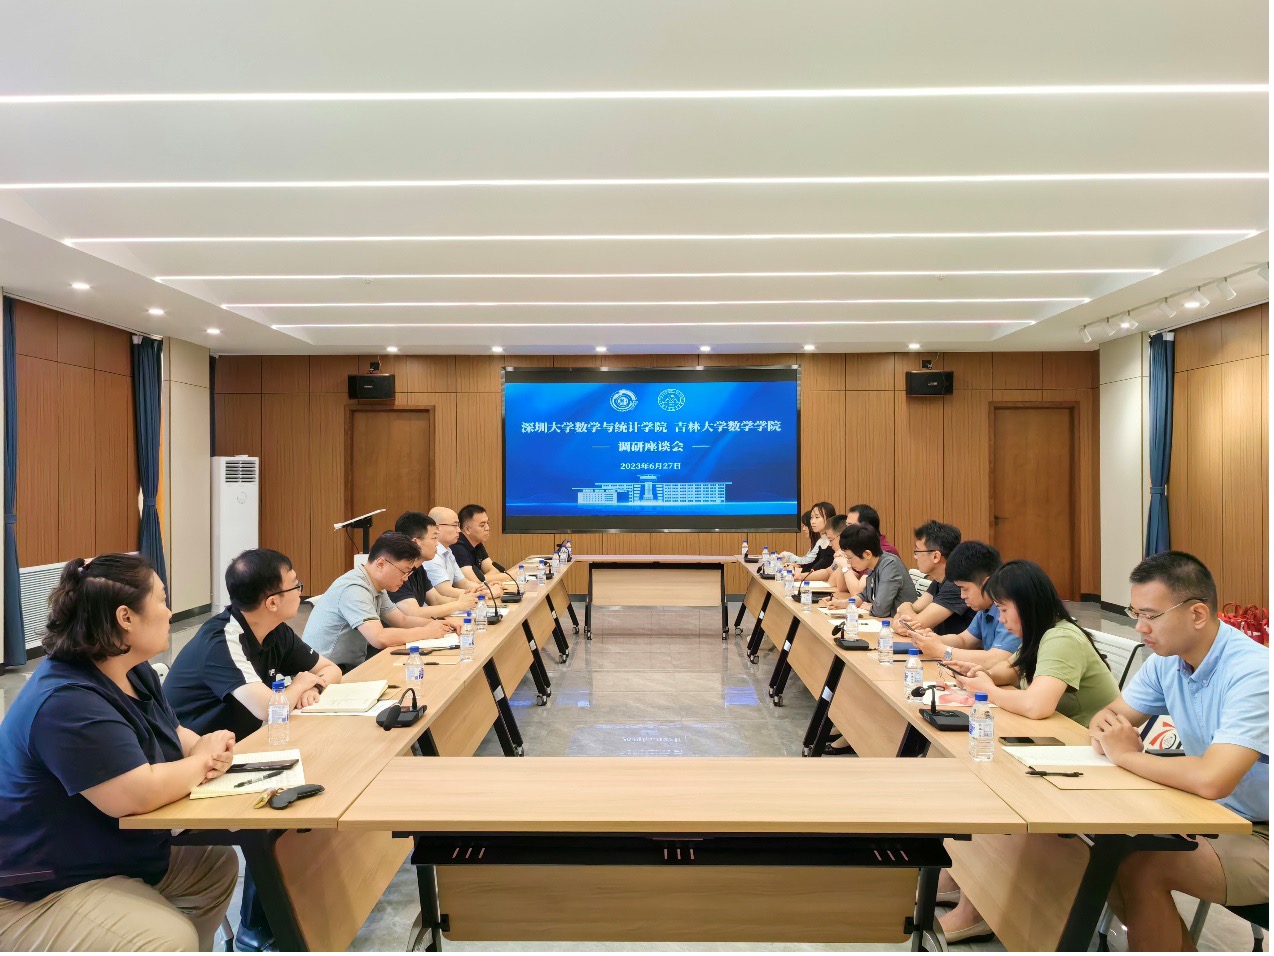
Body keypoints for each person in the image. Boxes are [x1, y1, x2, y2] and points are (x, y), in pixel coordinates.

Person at [0, 555, 238, 952]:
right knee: (168, 938)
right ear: (125, 617)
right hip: (39, 887)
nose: (170, 612)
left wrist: (204, 749)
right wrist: (202, 761)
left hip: (101, 853)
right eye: (162, 599)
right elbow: (135, 794)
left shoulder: (131, 670)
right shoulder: (66, 701)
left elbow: (174, 734)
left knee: (213, 864)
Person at [164, 549, 343, 952]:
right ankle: (255, 932)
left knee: (320, 779)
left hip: (239, 753)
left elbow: (330, 669)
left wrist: (308, 686)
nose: (301, 591)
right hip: (193, 768)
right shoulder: (222, 639)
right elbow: (268, 708)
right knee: (287, 807)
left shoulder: (276, 630)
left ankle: (289, 917)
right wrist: (299, 686)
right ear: (272, 601)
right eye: (295, 585)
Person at [1092, 552, 1268, 952]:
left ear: (1198, 614)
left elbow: (1212, 780)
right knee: (1101, 851)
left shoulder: (1255, 673)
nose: (1139, 628)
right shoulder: (1167, 662)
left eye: (1150, 616)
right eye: (1135, 613)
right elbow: (1110, 717)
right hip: (1215, 816)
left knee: (1141, 866)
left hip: (1261, 832)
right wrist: (1108, 732)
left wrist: (1127, 755)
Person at [936, 559, 1120, 943]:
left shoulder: (1061, 638)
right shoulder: (1041, 634)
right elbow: (1012, 672)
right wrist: (979, 676)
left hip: (1088, 763)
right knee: (970, 771)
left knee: (991, 790)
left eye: (1004, 609)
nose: (1001, 618)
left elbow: (1037, 705)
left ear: (1026, 603)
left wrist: (987, 691)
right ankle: (962, 879)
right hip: (1056, 750)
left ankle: (975, 909)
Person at [302, 532, 457, 671]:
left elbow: (401, 620)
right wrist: (427, 632)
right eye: (404, 572)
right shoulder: (354, 588)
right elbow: (379, 638)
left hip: (346, 666)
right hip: (324, 672)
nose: (405, 579)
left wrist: (440, 624)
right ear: (381, 564)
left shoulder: (376, 585)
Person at [903, 541, 1021, 667]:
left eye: (965, 589)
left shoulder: (1011, 608)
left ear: (987, 584)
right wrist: (934, 640)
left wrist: (943, 651)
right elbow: (964, 640)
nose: (962, 596)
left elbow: (997, 659)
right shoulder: (985, 607)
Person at [389, 512, 480, 620]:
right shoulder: (396, 570)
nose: (437, 544)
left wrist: (468, 600)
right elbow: (413, 613)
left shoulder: (418, 567)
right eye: (434, 538)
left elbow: (436, 599)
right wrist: (458, 605)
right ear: (416, 543)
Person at [895, 520, 976, 636]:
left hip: (955, 646)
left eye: (917, 551)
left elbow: (915, 625)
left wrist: (904, 606)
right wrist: (900, 621)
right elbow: (913, 612)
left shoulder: (956, 585)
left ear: (936, 556)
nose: (915, 556)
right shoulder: (939, 580)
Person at [824, 522, 917, 618]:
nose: (848, 562)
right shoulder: (873, 563)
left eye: (850, 558)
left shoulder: (889, 565)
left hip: (902, 621)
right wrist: (842, 604)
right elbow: (864, 595)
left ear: (867, 554)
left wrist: (872, 607)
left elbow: (880, 610)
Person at [425, 506, 486, 599]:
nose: (459, 530)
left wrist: (485, 588)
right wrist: (481, 593)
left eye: (458, 525)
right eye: (455, 525)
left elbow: (463, 583)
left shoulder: (448, 551)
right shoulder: (431, 555)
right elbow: (445, 591)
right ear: (437, 528)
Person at [452, 504, 513, 588]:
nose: (487, 528)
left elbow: (494, 569)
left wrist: (482, 579)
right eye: (482, 525)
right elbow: (471, 580)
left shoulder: (477, 544)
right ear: (467, 529)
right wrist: (510, 576)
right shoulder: (457, 547)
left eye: (487, 523)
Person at [793, 511, 845, 582]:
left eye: (831, 539)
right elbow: (828, 572)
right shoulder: (840, 554)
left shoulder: (851, 556)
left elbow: (833, 582)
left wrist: (845, 566)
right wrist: (801, 576)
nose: (830, 544)